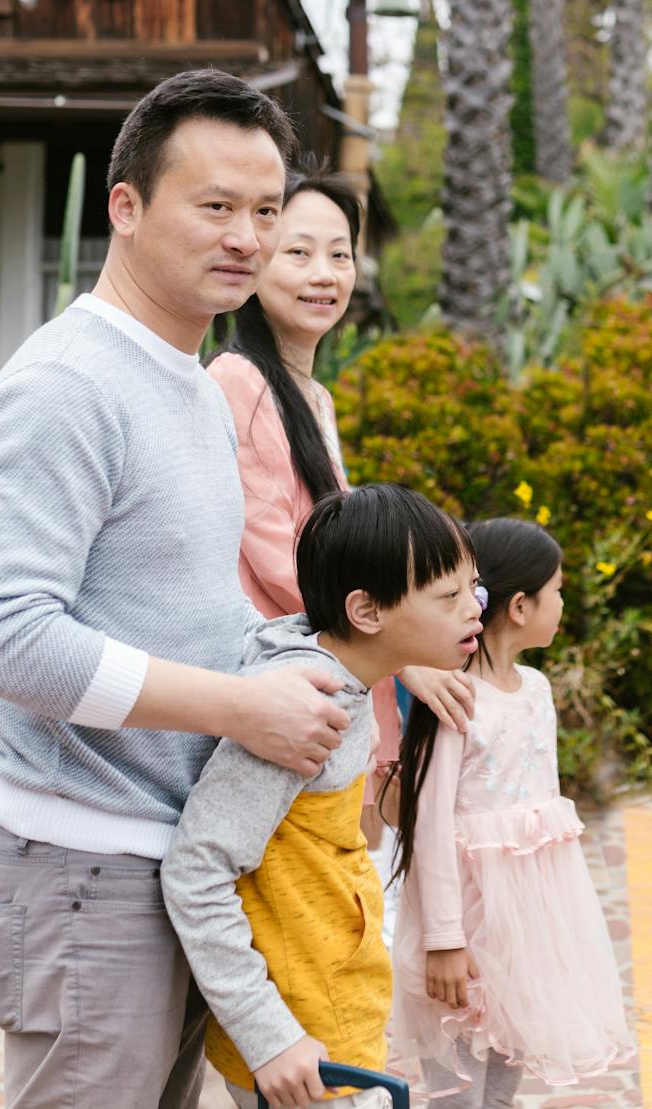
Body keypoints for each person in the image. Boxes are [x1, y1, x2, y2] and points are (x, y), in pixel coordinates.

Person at [0, 69, 353, 1109]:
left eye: (265, 210)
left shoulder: (188, 373)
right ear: (125, 206)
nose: (247, 237)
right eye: (213, 205)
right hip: (84, 872)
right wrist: (240, 707)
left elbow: (184, 600)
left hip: (172, 864)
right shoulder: (66, 385)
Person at [203, 161, 473, 929]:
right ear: (254, 259)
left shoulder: (308, 393)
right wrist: (406, 648)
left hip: (341, 690)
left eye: (340, 253)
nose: (324, 274)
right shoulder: (238, 381)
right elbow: (283, 559)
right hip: (295, 700)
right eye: (298, 252)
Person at [163, 484, 486, 1109]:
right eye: (449, 596)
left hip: (330, 1007)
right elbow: (195, 868)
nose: (473, 608)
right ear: (366, 612)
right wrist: (270, 1038)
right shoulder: (304, 710)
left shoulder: (344, 679)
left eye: (475, 588)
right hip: (303, 1041)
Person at [388, 519, 633, 1107]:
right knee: (460, 1088)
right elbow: (428, 824)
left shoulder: (537, 690)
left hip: (529, 925)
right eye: (557, 589)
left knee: (505, 1078)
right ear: (521, 606)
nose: (563, 601)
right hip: (467, 925)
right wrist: (444, 940)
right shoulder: (454, 697)